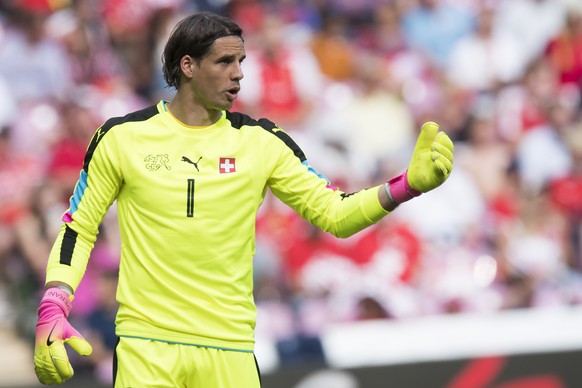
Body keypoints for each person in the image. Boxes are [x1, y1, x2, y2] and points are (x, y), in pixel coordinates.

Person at [32, 11, 454, 387]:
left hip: (229, 349)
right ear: (188, 66)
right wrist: (54, 304)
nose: (238, 74)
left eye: (241, 62)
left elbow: (335, 214)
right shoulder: (121, 138)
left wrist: (406, 186)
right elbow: (78, 228)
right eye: (224, 62)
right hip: (147, 346)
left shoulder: (262, 142)